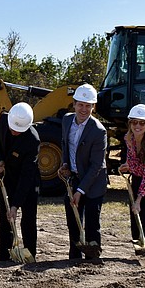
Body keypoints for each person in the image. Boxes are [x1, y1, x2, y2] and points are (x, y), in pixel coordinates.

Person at [58, 83, 108, 259]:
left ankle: (93, 259)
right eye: (81, 104)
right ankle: (74, 257)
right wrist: (66, 165)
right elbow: (66, 145)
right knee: (73, 220)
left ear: (93, 107)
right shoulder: (66, 120)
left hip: (94, 182)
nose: (84, 109)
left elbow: (96, 165)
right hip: (75, 177)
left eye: (88, 106)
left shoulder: (98, 131)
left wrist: (80, 191)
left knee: (92, 224)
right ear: (74, 103)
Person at [0, 102, 40, 261]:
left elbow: (27, 175)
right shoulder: (4, 120)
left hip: (28, 183)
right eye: (13, 128)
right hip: (7, 179)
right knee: (5, 221)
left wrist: (15, 205)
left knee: (28, 222)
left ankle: (30, 257)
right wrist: (2, 160)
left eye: (18, 131)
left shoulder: (33, 140)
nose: (14, 132)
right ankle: (3, 258)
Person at [118, 103, 145, 244]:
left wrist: (138, 200)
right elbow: (132, 159)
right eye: (134, 122)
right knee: (135, 219)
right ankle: (138, 247)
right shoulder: (129, 139)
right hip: (137, 181)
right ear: (130, 123)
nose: (138, 126)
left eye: (142, 123)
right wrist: (128, 165)